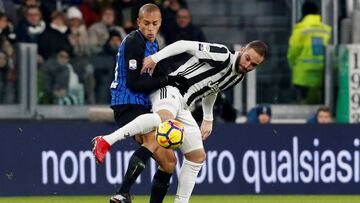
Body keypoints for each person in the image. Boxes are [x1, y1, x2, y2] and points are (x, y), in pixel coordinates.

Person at [93, 39, 267, 202]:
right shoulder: (222, 54)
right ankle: (107, 140)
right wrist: (155, 58)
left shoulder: (238, 76)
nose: (247, 65)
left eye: (253, 65)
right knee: (163, 119)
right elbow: (184, 45)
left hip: (183, 105)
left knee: (197, 156)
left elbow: (213, 89)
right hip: (170, 89)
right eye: (247, 59)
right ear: (242, 50)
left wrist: (208, 118)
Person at [92, 3, 188, 203]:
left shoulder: (153, 44)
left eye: (155, 23)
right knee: (153, 140)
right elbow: (134, 83)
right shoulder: (135, 41)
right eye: (146, 23)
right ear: (138, 22)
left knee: (170, 162)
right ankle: (123, 192)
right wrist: (167, 80)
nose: (151, 28)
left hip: (141, 105)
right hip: (126, 102)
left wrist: (177, 79)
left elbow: (160, 74)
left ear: (160, 23)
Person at [287, 1, 331, 104]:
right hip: (322, 72)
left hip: (303, 74)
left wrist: (293, 66)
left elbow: (293, 52)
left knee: (304, 105)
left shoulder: (300, 28)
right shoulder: (326, 29)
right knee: (319, 103)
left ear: (303, 12)